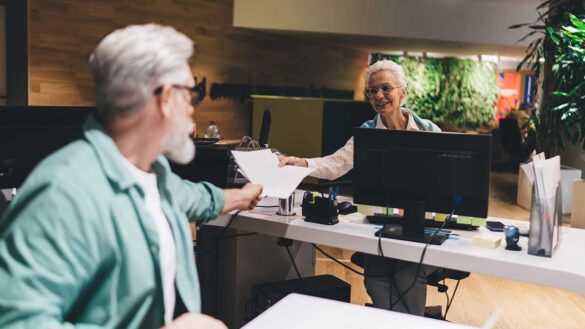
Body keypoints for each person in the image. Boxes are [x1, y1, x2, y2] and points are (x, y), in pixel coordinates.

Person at [0, 24, 262, 329]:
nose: (192, 109)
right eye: (190, 94)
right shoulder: (63, 191)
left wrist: (243, 196)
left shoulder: (154, 174)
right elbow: (18, 322)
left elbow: (194, 199)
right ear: (165, 98)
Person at [278, 59, 439, 316]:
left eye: (386, 88)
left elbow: (444, 177)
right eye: (373, 91)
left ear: (403, 91)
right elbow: (337, 163)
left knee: (409, 277)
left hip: (419, 221)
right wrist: (303, 163)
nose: (379, 96)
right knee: (375, 280)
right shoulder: (367, 132)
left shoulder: (428, 130)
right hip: (379, 220)